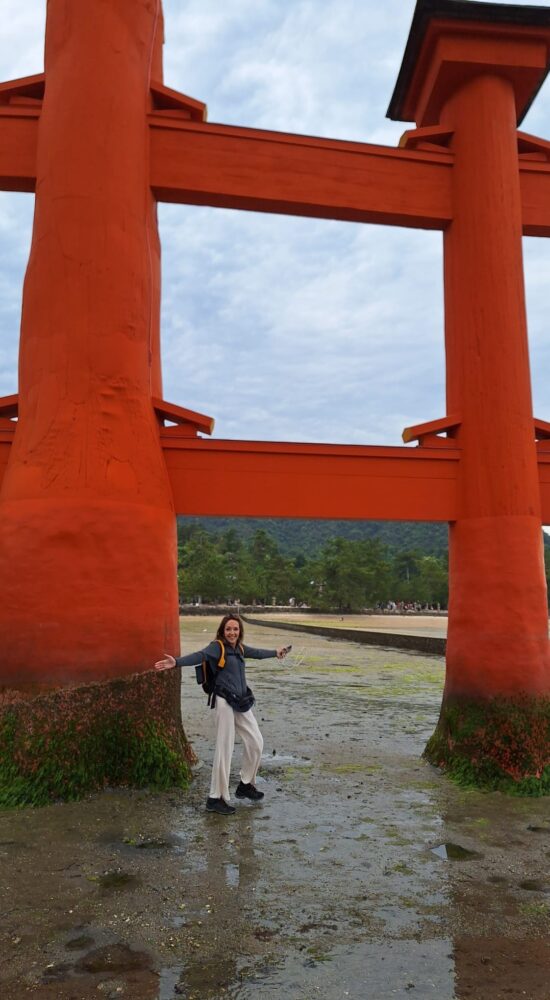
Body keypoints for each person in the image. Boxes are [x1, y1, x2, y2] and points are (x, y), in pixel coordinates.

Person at [154, 614, 290, 816]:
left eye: (235, 629)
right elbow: (199, 656)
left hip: (241, 701)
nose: (232, 632)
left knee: (256, 742)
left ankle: (245, 784)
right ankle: (215, 798)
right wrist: (176, 662)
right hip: (224, 701)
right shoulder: (217, 647)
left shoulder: (240, 648)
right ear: (222, 631)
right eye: (228, 629)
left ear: (240, 631)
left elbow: (259, 653)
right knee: (224, 749)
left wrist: (276, 653)